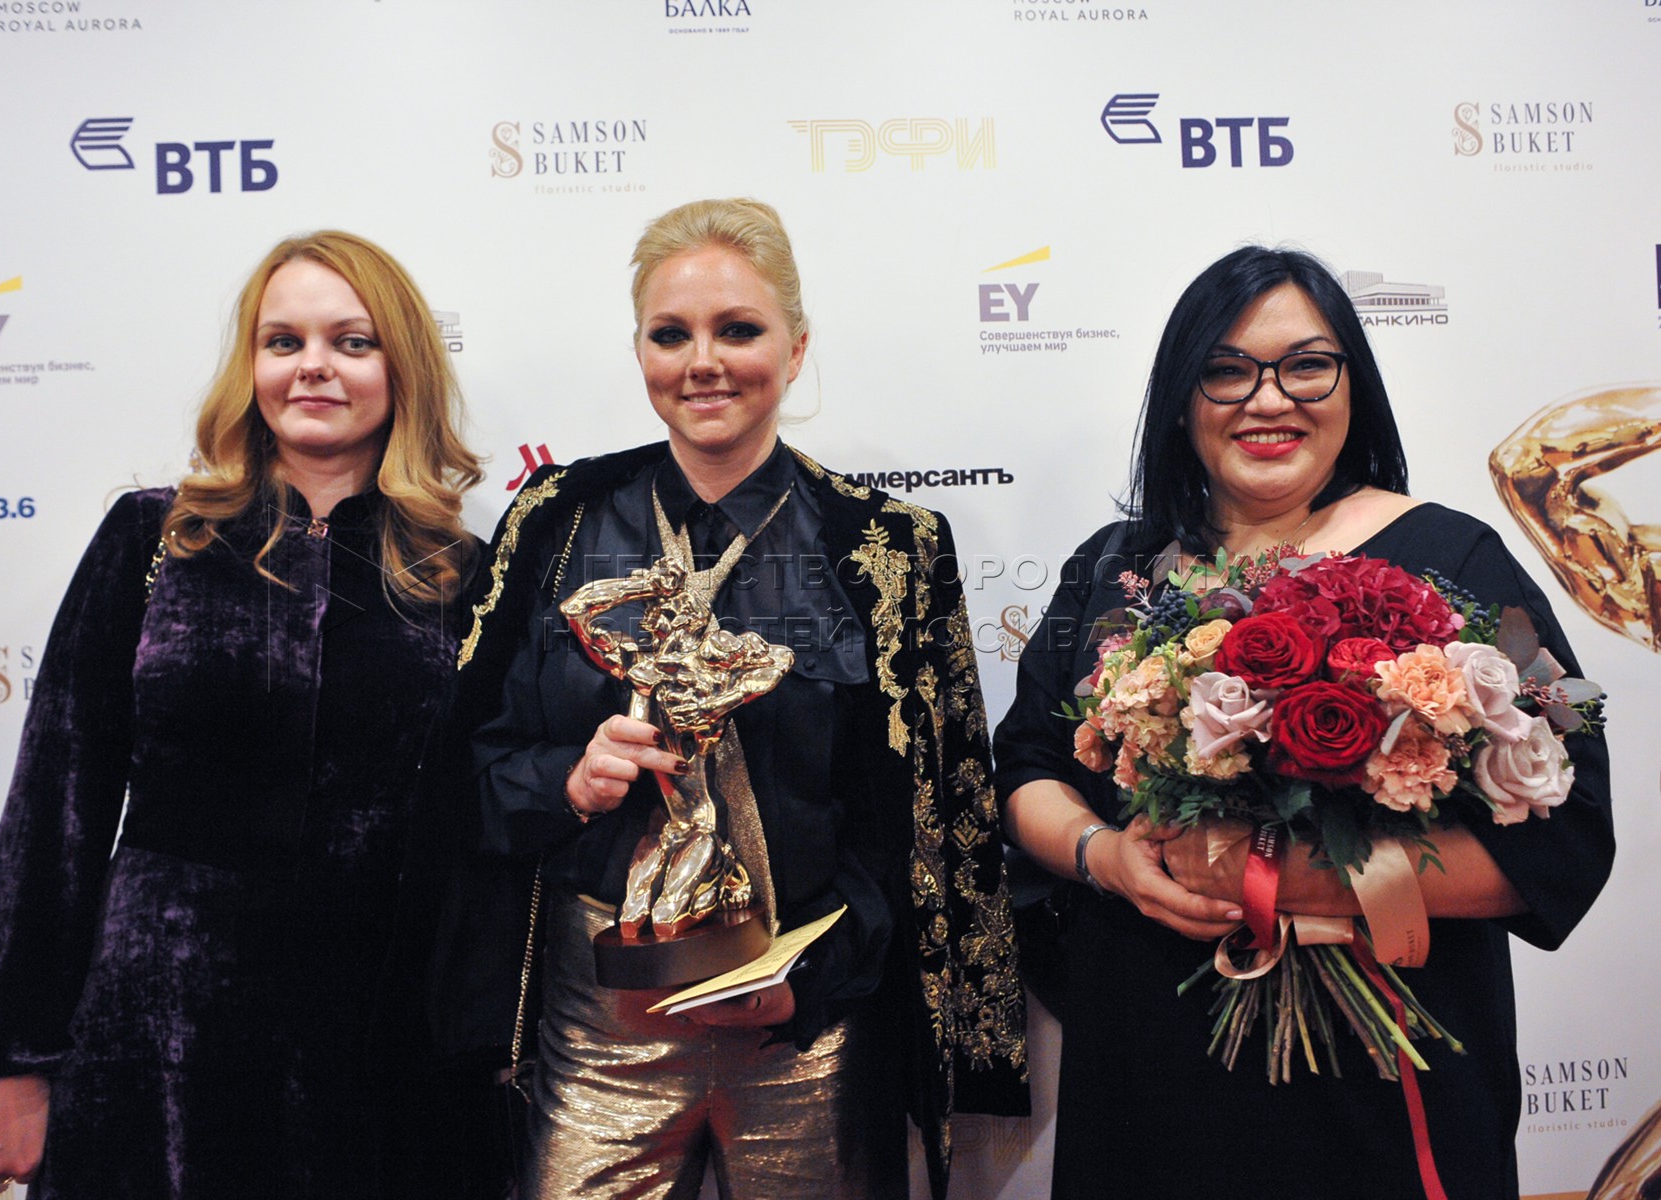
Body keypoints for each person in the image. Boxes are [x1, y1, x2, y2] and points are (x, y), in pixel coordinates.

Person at [994, 245, 1614, 1200]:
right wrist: (1102, 855)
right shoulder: (1115, 567)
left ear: (1351, 385)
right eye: (1226, 370)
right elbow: (1027, 764)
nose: (1268, 399)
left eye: (1306, 365)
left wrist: (1292, 877)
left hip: (1380, 1069)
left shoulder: (1455, 554)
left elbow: (1569, 804)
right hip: (1148, 1063)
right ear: (1181, 398)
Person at [450, 198, 1027, 1200]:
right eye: (671, 334)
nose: (703, 362)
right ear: (639, 351)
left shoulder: (890, 544)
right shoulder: (554, 521)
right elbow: (465, 768)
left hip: (809, 1023)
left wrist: (817, 978)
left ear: (796, 349)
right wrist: (569, 782)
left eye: (739, 329)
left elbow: (933, 819)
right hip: (602, 1020)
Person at [0, 231, 491, 1198]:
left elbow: (483, 824)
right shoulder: (155, 535)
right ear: (249, 368)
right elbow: (54, 804)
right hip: (155, 1027)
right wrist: (7, 1057)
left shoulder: (459, 573)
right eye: (283, 341)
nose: (313, 366)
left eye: (352, 342)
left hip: (380, 1037)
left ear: (404, 370)